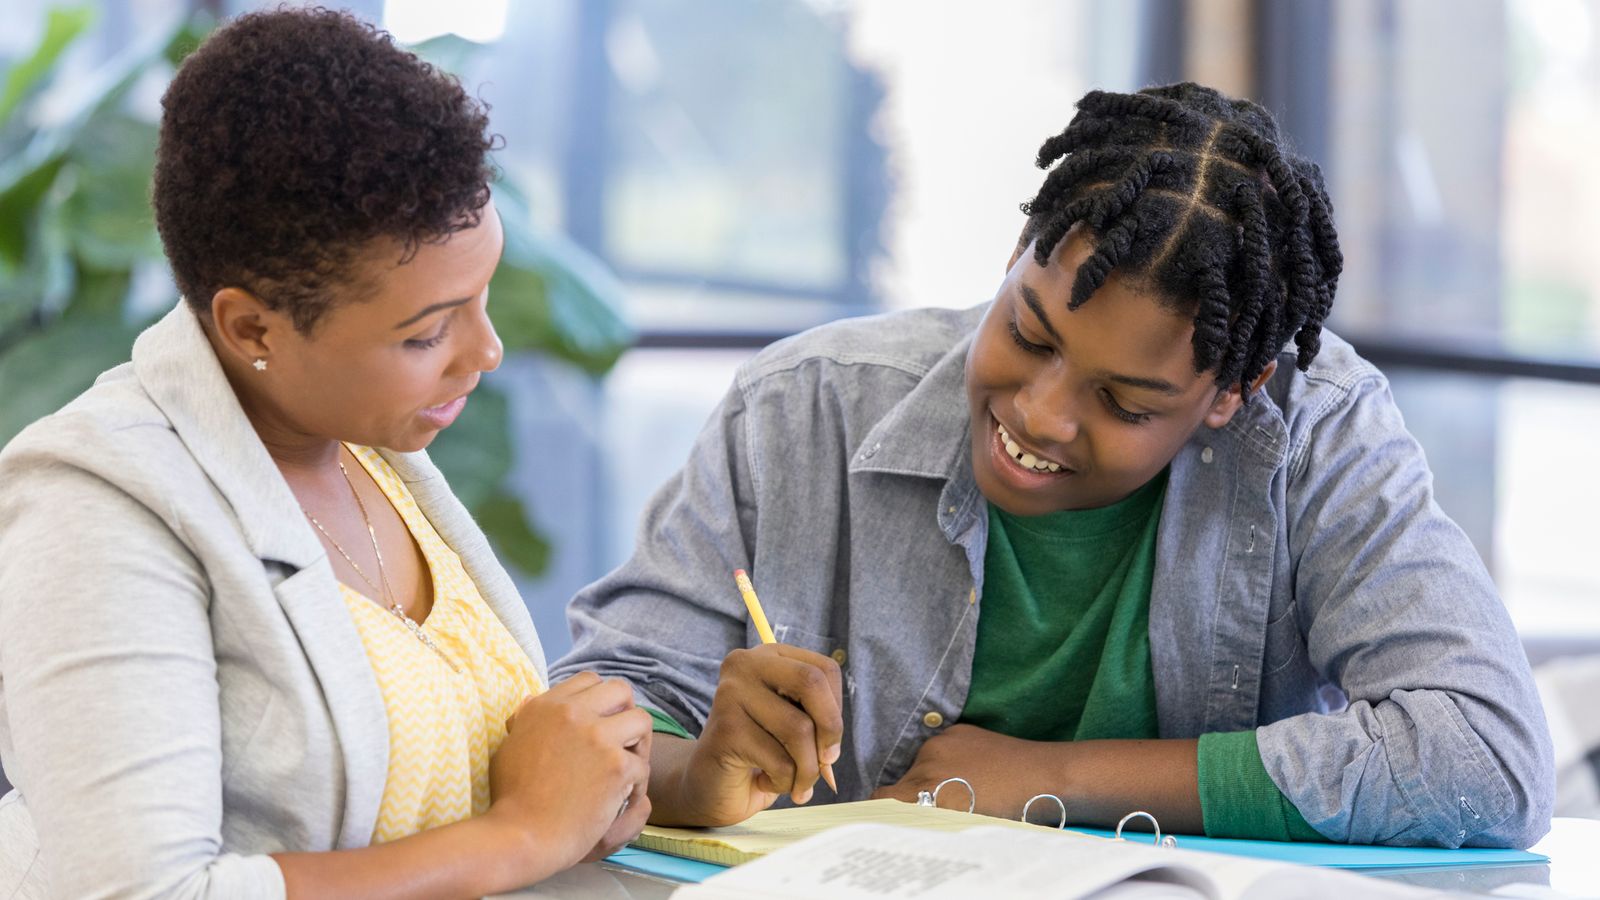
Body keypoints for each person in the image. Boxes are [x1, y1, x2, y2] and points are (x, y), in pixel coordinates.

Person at [554, 83, 1554, 848]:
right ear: (1012, 255)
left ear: (1230, 392)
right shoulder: (801, 406)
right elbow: (590, 726)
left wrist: (1050, 778)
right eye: (1027, 335)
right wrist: (699, 774)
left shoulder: (1316, 437)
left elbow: (1484, 758)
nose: (1038, 415)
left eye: (1124, 403)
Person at [0, 9, 650, 898]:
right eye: (427, 333)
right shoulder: (96, 508)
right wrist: (525, 834)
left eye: (481, 296)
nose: (486, 352)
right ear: (251, 326)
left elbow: (445, 776)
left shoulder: (365, 444)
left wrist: (675, 776)